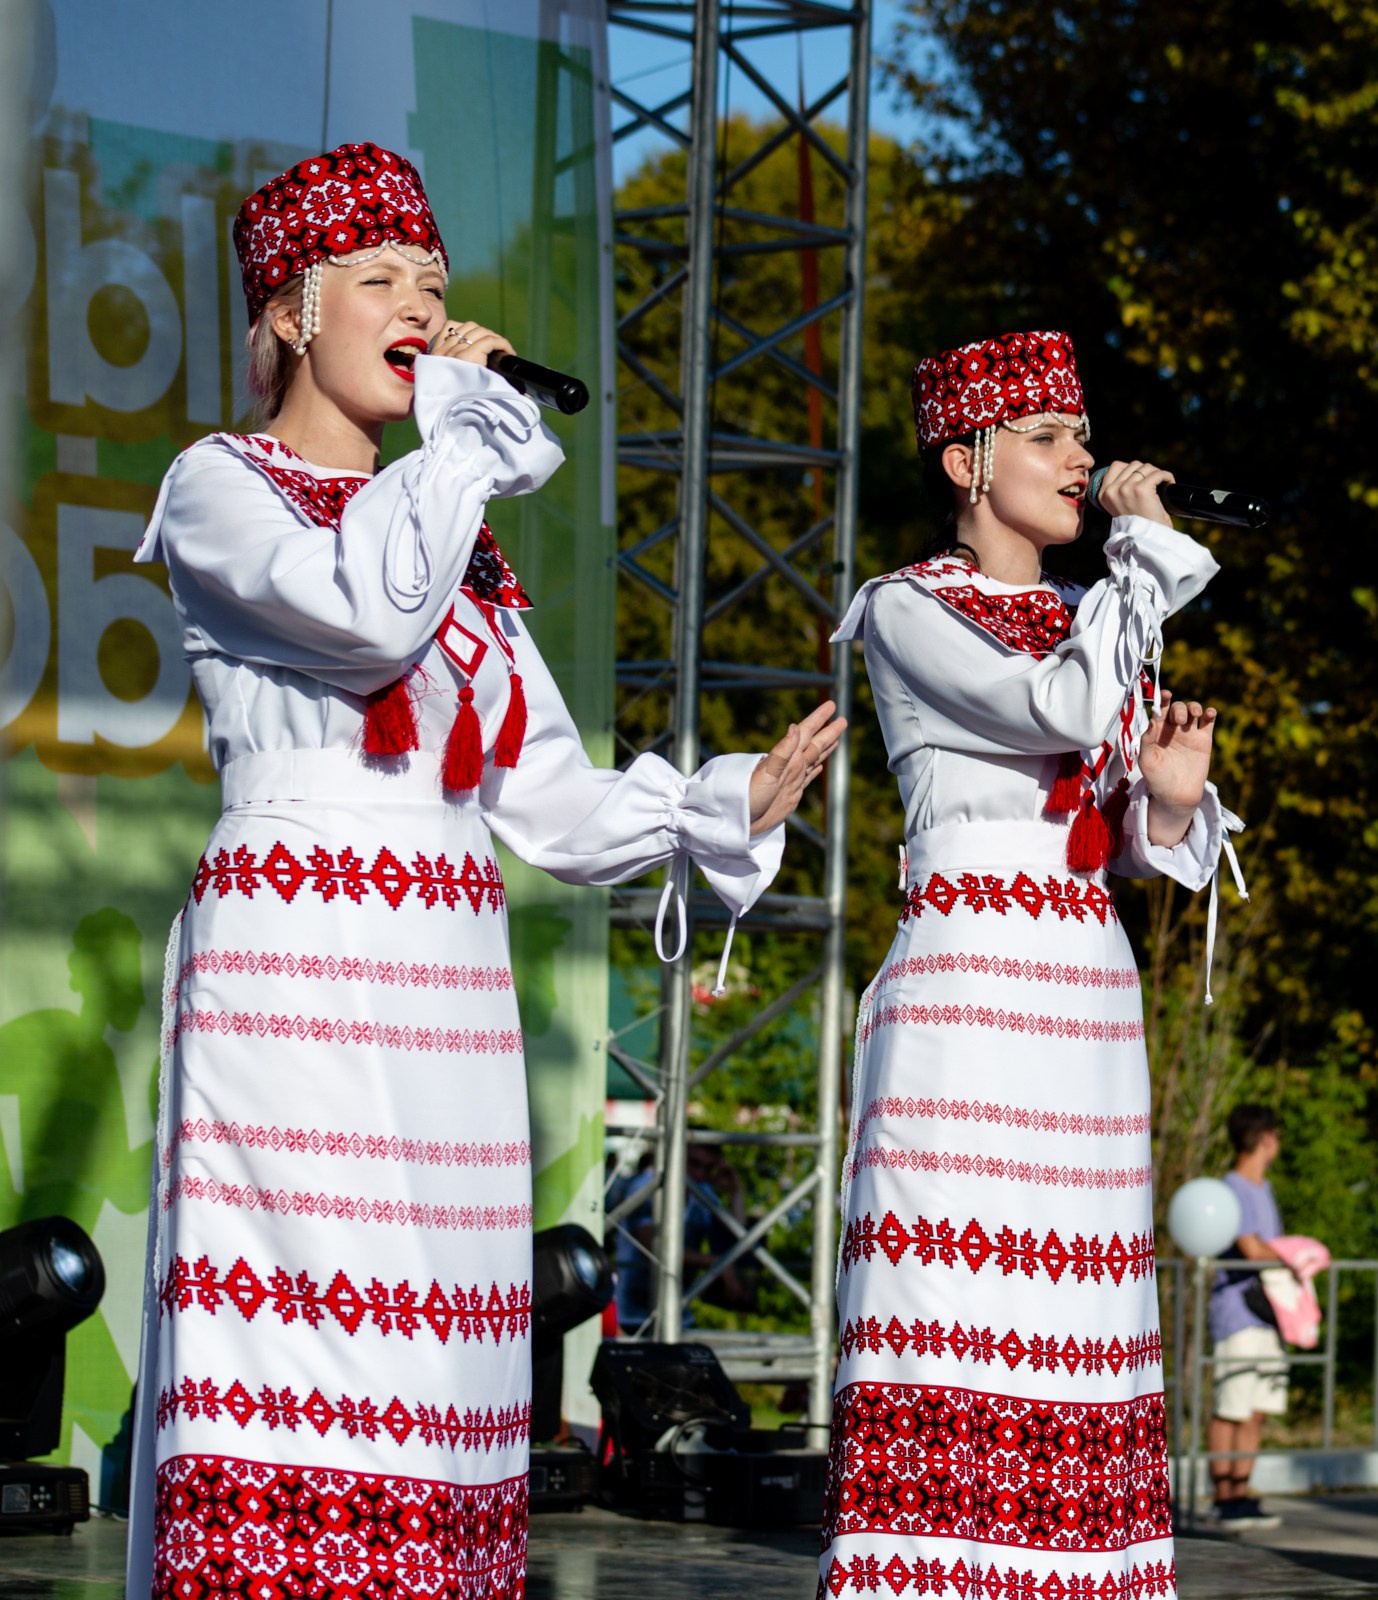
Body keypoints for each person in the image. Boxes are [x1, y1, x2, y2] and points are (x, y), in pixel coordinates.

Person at [128, 143, 843, 1599]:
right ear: (286, 313)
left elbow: (555, 804)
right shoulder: (219, 485)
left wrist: (721, 804)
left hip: (445, 977)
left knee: (444, 1364)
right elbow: (363, 617)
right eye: (379, 281)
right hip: (301, 955)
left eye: (436, 287)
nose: (418, 309)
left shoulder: (459, 535)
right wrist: (463, 433)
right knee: (303, 1346)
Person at [817, 331, 1237, 1600]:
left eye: (1084, 435)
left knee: (1077, 1320)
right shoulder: (905, 605)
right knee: (959, 1293)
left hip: (1084, 987)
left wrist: (1168, 803)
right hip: (970, 985)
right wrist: (1140, 551)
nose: (1082, 457)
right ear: (966, 458)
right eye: (1048, 436)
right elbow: (1050, 707)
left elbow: (1136, 826)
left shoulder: (1094, 615)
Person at [1208, 1103, 1289, 1529]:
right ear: (1264, 1138)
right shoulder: (1231, 1188)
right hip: (1238, 1311)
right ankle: (1223, 1497)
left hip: (1268, 1313)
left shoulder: (1264, 1188)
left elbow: (1267, 1248)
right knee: (1232, 1405)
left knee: (1257, 1408)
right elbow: (1251, 1248)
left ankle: (1242, 1491)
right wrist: (1297, 1253)